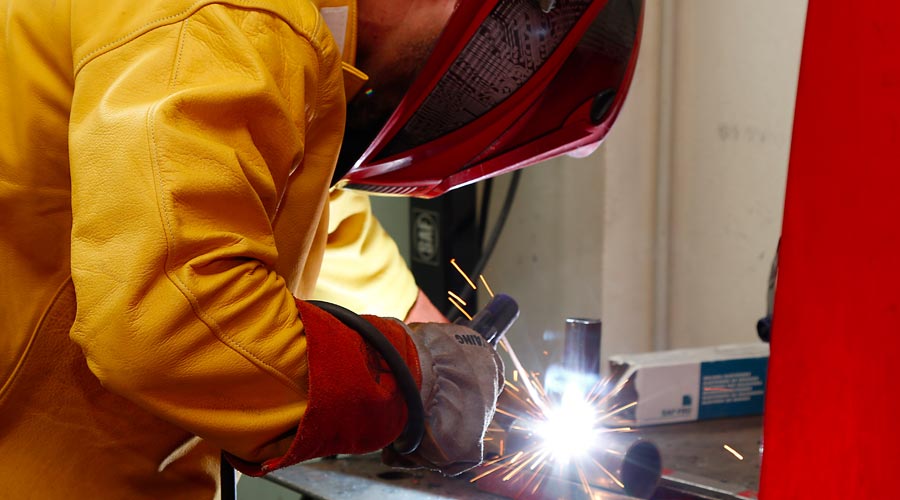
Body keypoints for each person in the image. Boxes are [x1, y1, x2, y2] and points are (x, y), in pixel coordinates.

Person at [0, 0, 641, 496]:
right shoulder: (240, 19)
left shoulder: (282, 33)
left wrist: (425, 332)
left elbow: (290, 210)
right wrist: (416, 381)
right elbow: (172, 317)